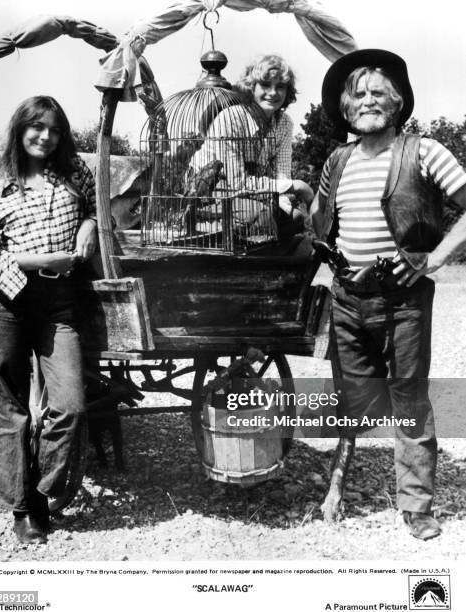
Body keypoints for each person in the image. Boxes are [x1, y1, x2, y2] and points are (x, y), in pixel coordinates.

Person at [311, 49, 466, 540]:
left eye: (379, 93)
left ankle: (416, 505)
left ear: (397, 103)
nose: (368, 101)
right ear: (345, 109)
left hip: (403, 300)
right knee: (354, 398)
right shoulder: (336, 161)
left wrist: (435, 259)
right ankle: (339, 481)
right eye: (358, 95)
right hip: (347, 298)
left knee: (409, 399)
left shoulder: (425, 151)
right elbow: (317, 222)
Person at [0, 95, 97, 543]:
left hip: (59, 305)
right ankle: (22, 508)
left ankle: (43, 492)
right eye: (36, 127)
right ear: (20, 130)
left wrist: (89, 225)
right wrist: (42, 259)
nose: (45, 136)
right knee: (12, 411)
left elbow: (96, 207)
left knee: (70, 406)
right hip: (8, 304)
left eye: (54, 129)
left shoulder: (75, 173)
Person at [189, 54, 313, 246]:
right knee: (262, 216)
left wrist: (283, 201)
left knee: (295, 218)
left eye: (280, 86)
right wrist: (298, 187)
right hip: (209, 193)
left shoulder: (284, 124)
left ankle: (250, 234)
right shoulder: (231, 118)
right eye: (265, 85)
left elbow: (282, 177)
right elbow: (237, 183)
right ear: (251, 87)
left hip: (252, 196)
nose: (273, 93)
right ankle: (213, 230)